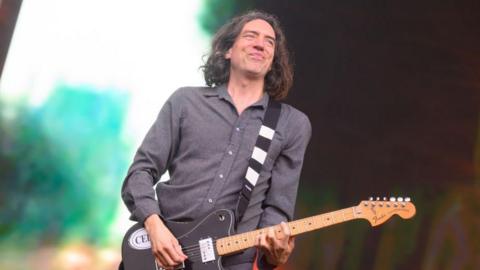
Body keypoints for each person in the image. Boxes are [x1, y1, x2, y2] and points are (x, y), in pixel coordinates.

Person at [121, 10, 311, 270]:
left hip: (233, 262)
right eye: (251, 36)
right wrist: (154, 226)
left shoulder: (292, 124)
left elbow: (278, 209)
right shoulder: (185, 102)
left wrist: (275, 253)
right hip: (163, 252)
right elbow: (140, 172)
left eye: (270, 41)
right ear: (227, 51)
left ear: (273, 59)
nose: (260, 44)